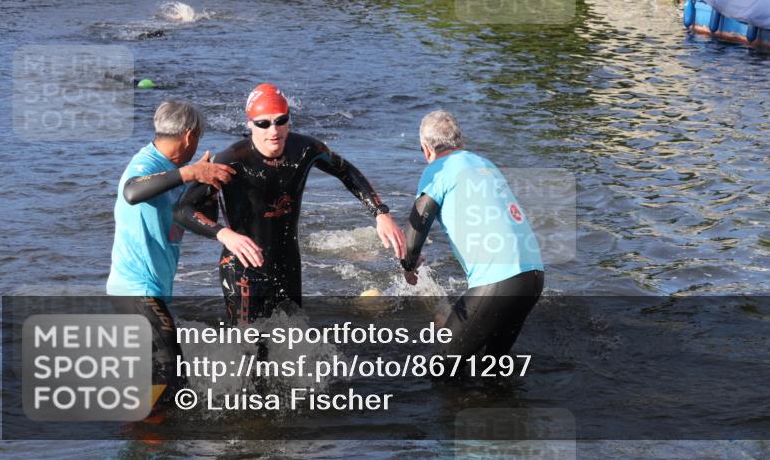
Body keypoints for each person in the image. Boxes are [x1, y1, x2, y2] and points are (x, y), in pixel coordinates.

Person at [176, 83, 407, 325]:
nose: (273, 131)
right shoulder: (231, 160)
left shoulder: (305, 149)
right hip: (243, 268)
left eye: (280, 120)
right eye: (263, 123)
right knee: (250, 350)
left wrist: (380, 213)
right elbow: (182, 210)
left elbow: (346, 171)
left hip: (288, 264)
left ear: (289, 120)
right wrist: (224, 235)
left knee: (292, 342)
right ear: (250, 124)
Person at [107, 101, 239, 406]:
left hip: (149, 291)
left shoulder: (172, 170)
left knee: (164, 377)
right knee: (170, 374)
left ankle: (145, 439)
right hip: (135, 290)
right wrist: (190, 172)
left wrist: (204, 187)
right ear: (190, 136)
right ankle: (148, 438)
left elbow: (187, 217)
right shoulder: (147, 163)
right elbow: (132, 192)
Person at [399, 110, 544, 360]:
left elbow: (417, 225)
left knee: (442, 367)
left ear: (426, 149)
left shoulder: (438, 169)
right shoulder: (484, 164)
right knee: (492, 370)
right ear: (461, 141)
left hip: (499, 281)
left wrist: (408, 265)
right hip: (533, 277)